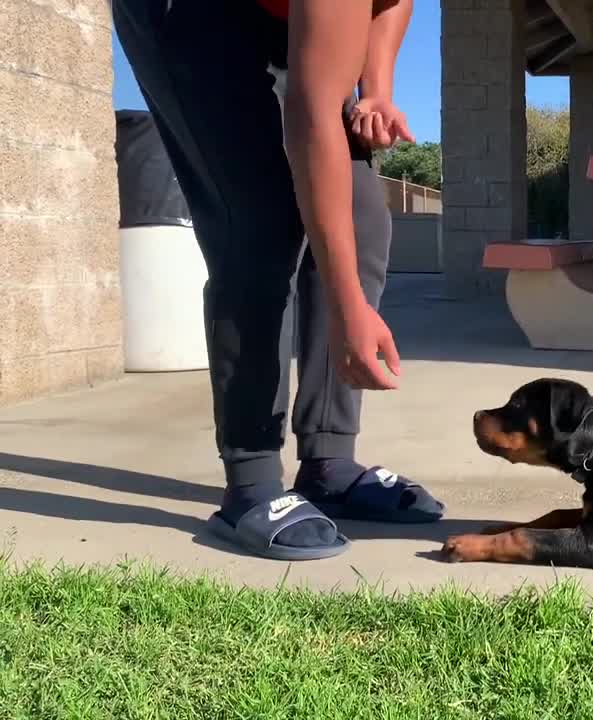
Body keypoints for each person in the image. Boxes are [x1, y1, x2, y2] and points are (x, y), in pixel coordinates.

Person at [112, 0, 443, 560]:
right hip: (188, 17)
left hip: (284, 18)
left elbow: (391, 3)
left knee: (361, 214)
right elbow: (311, 121)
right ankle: (252, 479)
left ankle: (329, 463)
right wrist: (348, 307)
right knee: (256, 222)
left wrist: (377, 90)